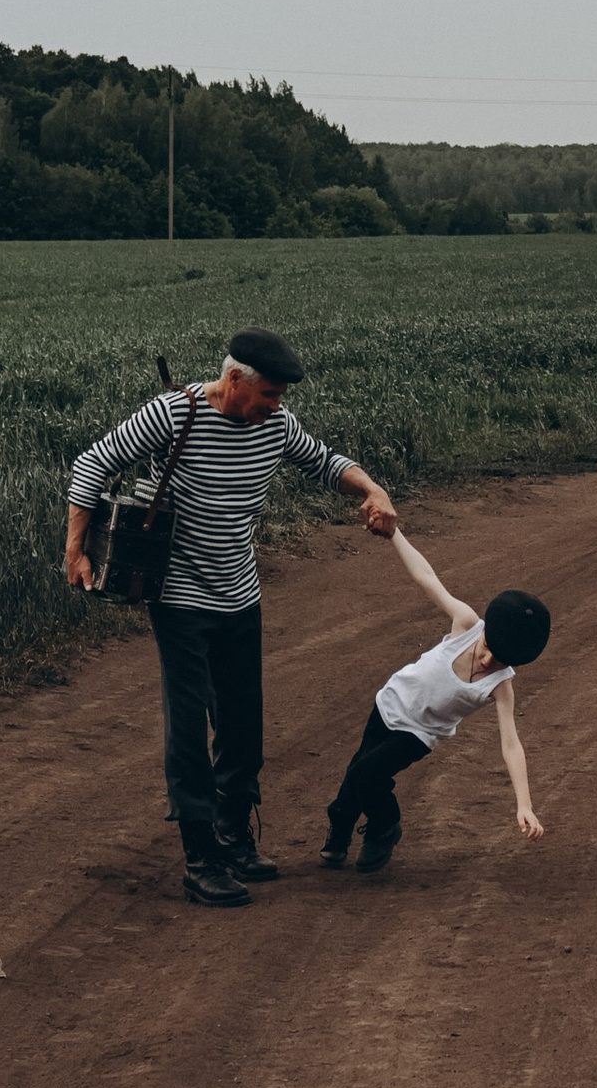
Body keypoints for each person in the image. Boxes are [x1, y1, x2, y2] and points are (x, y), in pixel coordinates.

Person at [66, 326, 397, 907]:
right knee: (190, 729)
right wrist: (74, 549)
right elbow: (93, 463)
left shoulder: (276, 426)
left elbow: (324, 462)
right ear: (235, 379)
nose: (276, 409)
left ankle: (234, 833)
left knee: (243, 724)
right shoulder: (175, 414)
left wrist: (372, 490)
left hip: (240, 594)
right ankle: (201, 858)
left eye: (281, 399)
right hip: (178, 595)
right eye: (268, 395)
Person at [324, 523, 549, 874]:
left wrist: (525, 804)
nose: (489, 661)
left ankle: (386, 826)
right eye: (488, 648)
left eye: (501, 661)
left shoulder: (500, 686)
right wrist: (393, 532)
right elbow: (426, 577)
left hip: (418, 734)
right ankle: (338, 834)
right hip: (389, 703)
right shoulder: (466, 622)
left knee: (367, 773)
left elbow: (511, 745)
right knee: (356, 777)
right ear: (486, 630)